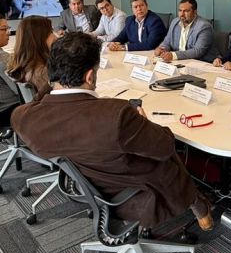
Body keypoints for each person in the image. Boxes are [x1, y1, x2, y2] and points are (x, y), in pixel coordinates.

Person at [12, 33, 213, 230]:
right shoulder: (116, 115)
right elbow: (165, 146)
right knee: (161, 149)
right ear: (90, 76)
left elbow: (43, 103)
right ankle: (196, 202)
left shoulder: (23, 118)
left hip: (90, 187)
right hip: (139, 195)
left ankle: (197, 204)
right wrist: (144, 123)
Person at [153, 0, 217, 62]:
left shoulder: (204, 26)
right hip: (181, 61)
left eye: (186, 11)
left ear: (195, 12)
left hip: (202, 62)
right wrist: (161, 49)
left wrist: (173, 55)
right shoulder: (175, 22)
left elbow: (198, 51)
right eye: (180, 10)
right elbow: (167, 42)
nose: (182, 14)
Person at [7, 16, 57, 99]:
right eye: (51, 32)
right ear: (38, 38)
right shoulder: (43, 73)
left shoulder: (20, 65)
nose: (55, 37)